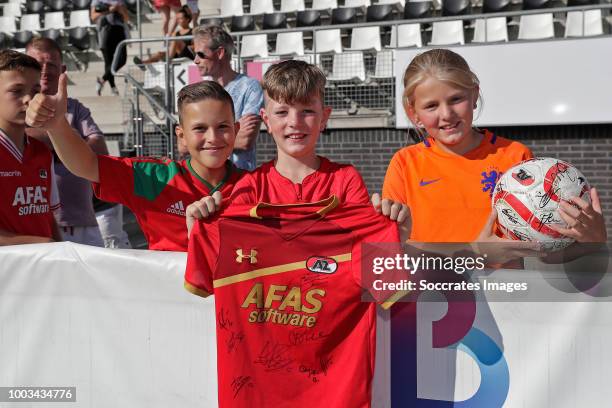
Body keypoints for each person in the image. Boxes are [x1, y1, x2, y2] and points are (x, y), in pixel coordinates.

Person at [183, 59, 407, 408]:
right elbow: (207, 269)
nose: (295, 123)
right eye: (283, 111)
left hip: (334, 387)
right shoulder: (246, 190)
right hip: (257, 387)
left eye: (306, 111)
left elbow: (381, 277)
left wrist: (396, 233)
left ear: (324, 116)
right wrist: (196, 228)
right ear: (265, 119)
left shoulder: (346, 182)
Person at [382, 48, 606, 258]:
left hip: (505, 293)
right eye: (431, 106)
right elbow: (392, 250)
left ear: (474, 95)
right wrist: (476, 253)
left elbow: (541, 253)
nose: (447, 114)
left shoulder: (515, 157)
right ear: (414, 113)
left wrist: (591, 242)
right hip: (434, 295)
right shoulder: (404, 164)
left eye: (456, 99)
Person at [25, 79, 243, 251]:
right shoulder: (154, 177)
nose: (213, 137)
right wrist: (57, 126)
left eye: (222, 126)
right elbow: (88, 165)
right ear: (181, 135)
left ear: (236, 129)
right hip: (173, 302)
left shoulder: (257, 184)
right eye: (200, 128)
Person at [25, 38, 108, 247]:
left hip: (84, 222)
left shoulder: (75, 108)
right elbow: (22, 146)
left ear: (62, 69)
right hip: (40, 225)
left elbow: (100, 149)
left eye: (51, 64)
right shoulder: (16, 108)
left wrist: (49, 141)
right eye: (37, 64)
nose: (45, 70)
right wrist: (69, 144)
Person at [0, 50, 62, 245]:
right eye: (16, 90)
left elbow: (49, 218)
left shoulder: (43, 152)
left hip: (44, 269)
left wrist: (61, 252)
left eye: (35, 91)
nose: (29, 99)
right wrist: (42, 246)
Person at [192, 24, 263, 171]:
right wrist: (232, 136)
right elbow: (183, 144)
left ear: (219, 53)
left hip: (241, 180)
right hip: (209, 181)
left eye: (201, 54)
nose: (196, 60)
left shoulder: (250, 87)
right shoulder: (203, 92)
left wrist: (202, 144)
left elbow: (244, 141)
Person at [91, 0, 129, 96]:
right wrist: (109, 10)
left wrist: (120, 10)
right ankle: (113, 88)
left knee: (122, 60)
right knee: (109, 62)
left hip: (119, 30)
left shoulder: (119, 1)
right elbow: (93, 17)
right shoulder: (97, 1)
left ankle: (102, 80)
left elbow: (126, 18)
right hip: (105, 30)